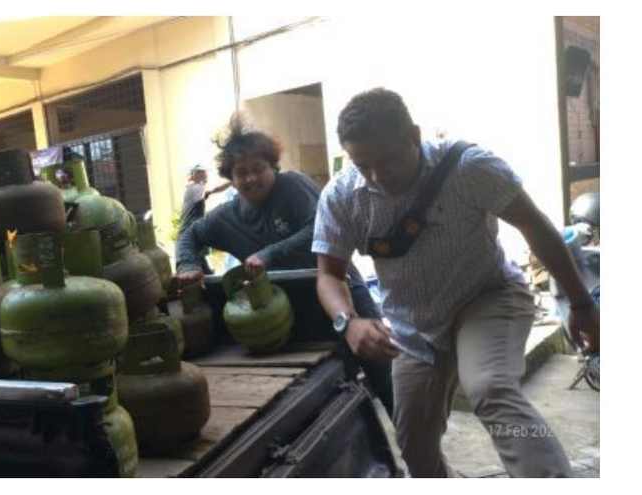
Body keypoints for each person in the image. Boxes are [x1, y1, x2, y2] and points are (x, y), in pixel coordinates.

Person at [313, 87, 599, 477]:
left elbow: (536, 227)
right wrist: (348, 322)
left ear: (413, 136)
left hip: (487, 298)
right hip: (412, 326)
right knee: (415, 447)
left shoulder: (470, 167)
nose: (377, 176)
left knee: (489, 387)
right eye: (364, 165)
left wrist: (581, 304)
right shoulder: (341, 196)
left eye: (388, 160)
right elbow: (329, 274)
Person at [175, 114, 394, 411]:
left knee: (383, 373)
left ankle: (411, 435)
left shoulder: (293, 186)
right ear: (231, 178)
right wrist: (188, 266)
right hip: (290, 310)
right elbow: (189, 235)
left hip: (342, 290)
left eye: (258, 169)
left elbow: (319, 228)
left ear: (273, 167)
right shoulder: (225, 217)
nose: (251, 178)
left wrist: (268, 255)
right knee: (327, 385)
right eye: (241, 172)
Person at [175, 164, 230, 274]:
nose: (205, 175)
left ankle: (208, 273)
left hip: (193, 233)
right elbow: (213, 189)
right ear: (194, 175)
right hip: (189, 235)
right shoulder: (196, 188)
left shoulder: (193, 188)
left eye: (205, 173)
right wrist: (232, 181)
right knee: (194, 268)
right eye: (202, 173)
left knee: (202, 264)